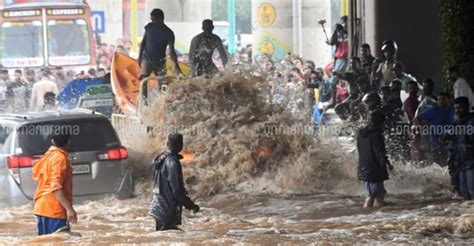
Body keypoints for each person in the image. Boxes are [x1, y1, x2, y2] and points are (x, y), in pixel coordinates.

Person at [149, 133, 199, 230]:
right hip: (166, 211)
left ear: (167, 144)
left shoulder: (160, 158)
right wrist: (191, 205)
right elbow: (177, 191)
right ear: (181, 146)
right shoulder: (173, 162)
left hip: (158, 207)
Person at [32, 132, 77, 235]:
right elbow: (55, 187)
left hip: (42, 207)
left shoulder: (48, 155)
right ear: (68, 142)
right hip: (54, 210)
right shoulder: (60, 159)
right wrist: (69, 209)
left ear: (52, 141)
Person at [357, 110, 393, 208]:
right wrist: (387, 164)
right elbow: (379, 152)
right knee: (371, 196)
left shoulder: (361, 134)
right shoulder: (377, 135)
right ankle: (365, 219)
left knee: (379, 197)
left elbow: (360, 150)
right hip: (374, 170)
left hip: (365, 167)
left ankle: (378, 219)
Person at [139, 9, 182, 79]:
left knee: (162, 82)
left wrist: (176, 65)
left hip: (160, 61)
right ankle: (144, 89)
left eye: (154, 20)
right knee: (144, 77)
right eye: (152, 20)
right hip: (147, 58)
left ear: (161, 18)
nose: (153, 22)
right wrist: (140, 56)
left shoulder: (169, 33)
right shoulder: (149, 27)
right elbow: (143, 42)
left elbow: (172, 51)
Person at [415, 92, 455, 167]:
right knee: (438, 165)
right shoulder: (433, 110)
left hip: (450, 143)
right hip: (436, 142)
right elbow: (417, 118)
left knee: (449, 165)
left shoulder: (452, 110)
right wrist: (425, 128)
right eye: (439, 100)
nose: (440, 102)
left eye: (443, 99)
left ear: (449, 100)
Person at [448, 97, 474, 200]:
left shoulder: (471, 122)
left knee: (472, 192)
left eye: (460, 108)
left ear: (467, 108)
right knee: (464, 194)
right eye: (455, 108)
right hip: (461, 164)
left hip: (471, 164)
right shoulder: (456, 124)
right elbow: (452, 146)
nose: (457, 111)